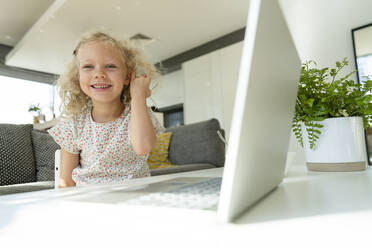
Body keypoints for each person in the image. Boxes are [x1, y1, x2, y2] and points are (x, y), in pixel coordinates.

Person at [48, 31, 164, 188]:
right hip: (90, 201)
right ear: (78, 77)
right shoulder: (74, 123)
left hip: (135, 199)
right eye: (88, 66)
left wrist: (138, 95)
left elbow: (143, 147)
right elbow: (66, 182)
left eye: (110, 66)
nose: (99, 74)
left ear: (127, 77)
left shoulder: (138, 113)